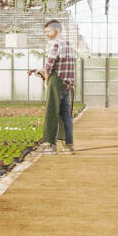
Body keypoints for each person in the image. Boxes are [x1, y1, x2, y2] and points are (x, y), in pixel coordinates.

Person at [30, 19, 76, 155]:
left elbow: (49, 66)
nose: (47, 34)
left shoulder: (56, 44)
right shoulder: (69, 45)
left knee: (51, 112)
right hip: (67, 83)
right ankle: (68, 145)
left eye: (48, 32)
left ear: (56, 31)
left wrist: (46, 80)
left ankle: (49, 145)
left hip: (56, 81)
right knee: (66, 114)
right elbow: (67, 66)